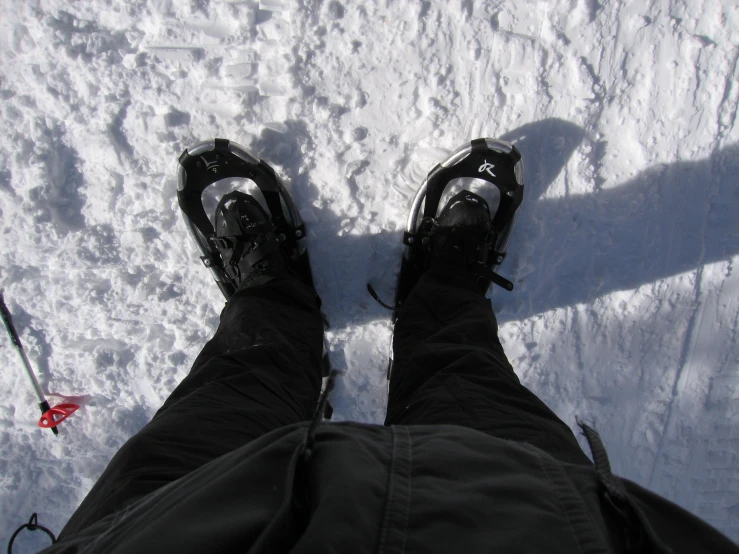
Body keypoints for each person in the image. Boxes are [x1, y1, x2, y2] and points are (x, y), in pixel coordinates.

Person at [36, 179, 737, 553]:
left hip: (158, 532)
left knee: (235, 387)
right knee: (465, 382)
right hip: (530, 524)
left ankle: (272, 300)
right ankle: (441, 295)